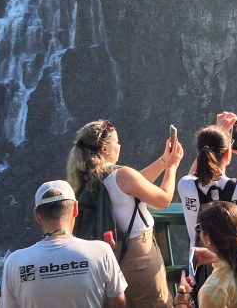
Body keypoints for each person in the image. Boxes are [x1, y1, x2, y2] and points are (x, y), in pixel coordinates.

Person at [67, 120, 183, 308]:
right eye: (116, 142)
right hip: (138, 255)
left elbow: (137, 185)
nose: (119, 146)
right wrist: (172, 167)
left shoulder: (87, 177)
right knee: (156, 303)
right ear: (105, 149)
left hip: (107, 258)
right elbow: (163, 200)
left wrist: (163, 161)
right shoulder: (122, 176)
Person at [177, 114, 237, 294]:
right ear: (228, 154)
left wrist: (217, 129)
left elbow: (193, 175)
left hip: (202, 274)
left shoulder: (185, 185)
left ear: (198, 153)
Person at [1, 180, 127, 308]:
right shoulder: (101, 251)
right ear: (75, 209)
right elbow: (118, 303)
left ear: (37, 215)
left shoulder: (15, 262)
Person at [174, 201, 237, 308]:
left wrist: (180, 303)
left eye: (199, 229)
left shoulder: (213, 289)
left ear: (208, 238)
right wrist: (217, 257)